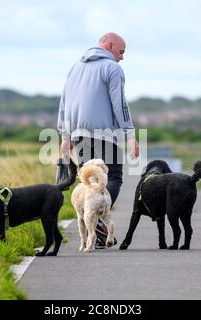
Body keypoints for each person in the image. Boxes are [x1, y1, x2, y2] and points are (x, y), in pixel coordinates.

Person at [57, 32, 139, 248]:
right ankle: (100, 223)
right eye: (121, 51)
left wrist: (65, 137)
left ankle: (93, 224)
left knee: (89, 182)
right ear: (110, 45)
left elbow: (64, 103)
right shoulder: (112, 68)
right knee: (112, 178)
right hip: (105, 136)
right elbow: (119, 103)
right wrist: (130, 133)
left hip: (79, 136)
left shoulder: (75, 68)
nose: (122, 57)